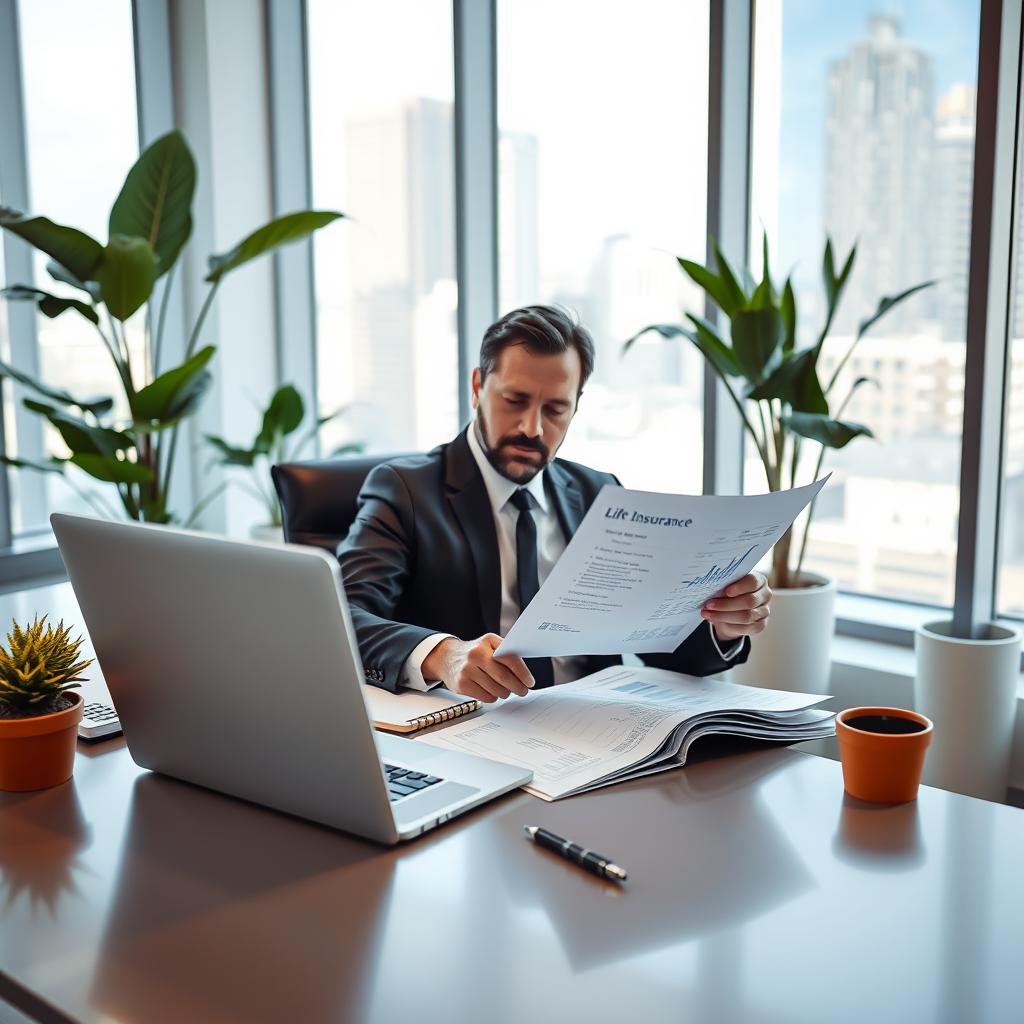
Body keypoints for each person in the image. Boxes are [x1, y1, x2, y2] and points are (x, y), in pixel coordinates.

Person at [339, 305, 772, 702]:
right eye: (515, 401)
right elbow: (341, 622)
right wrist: (444, 655)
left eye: (555, 410)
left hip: (599, 735)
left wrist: (720, 625)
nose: (531, 427)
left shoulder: (599, 494)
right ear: (477, 387)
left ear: (576, 408)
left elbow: (661, 647)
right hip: (474, 734)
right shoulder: (405, 491)